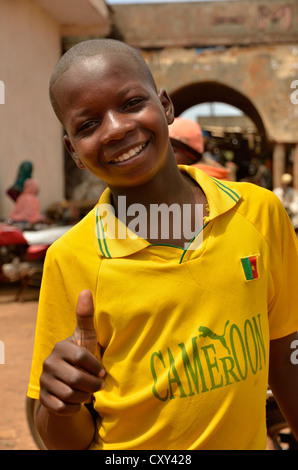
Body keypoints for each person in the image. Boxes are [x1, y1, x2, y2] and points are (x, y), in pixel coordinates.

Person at [27, 38, 298, 450]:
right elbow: (61, 438)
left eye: (132, 103)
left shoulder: (259, 213)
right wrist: (60, 403)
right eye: (87, 125)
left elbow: (285, 357)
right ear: (74, 152)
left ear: (167, 106)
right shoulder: (71, 260)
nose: (116, 128)